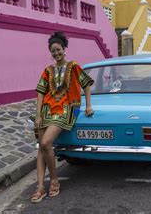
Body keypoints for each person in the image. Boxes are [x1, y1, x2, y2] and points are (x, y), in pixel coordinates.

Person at [31, 31, 94, 203]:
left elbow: (86, 84)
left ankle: (54, 179)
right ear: (50, 53)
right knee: (40, 149)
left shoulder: (73, 66)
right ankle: (40, 187)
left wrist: (88, 105)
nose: (56, 53)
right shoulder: (48, 70)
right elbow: (40, 93)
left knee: (45, 143)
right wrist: (37, 115)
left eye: (58, 49)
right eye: (53, 51)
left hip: (65, 110)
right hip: (47, 111)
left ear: (64, 49)